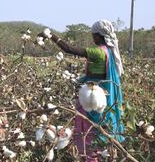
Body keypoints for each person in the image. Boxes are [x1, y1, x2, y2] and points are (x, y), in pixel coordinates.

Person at [41, 20, 124, 161]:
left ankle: (92, 156)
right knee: (100, 127)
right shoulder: (109, 51)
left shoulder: (98, 52)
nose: (93, 38)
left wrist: (51, 36)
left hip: (94, 96)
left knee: (91, 128)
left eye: (94, 35)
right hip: (100, 94)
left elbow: (69, 49)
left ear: (100, 36)